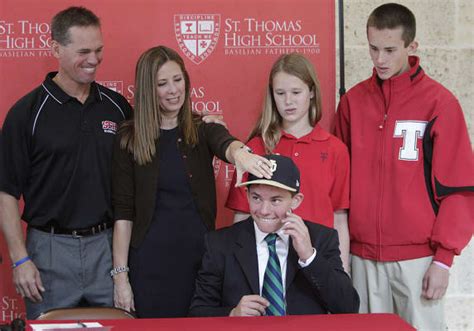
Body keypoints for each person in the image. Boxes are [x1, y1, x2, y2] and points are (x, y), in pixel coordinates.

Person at [335, 3, 474, 330]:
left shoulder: (440, 103)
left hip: (418, 261)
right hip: (362, 259)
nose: (379, 59)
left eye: (389, 50)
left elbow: (460, 190)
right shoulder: (352, 102)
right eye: (372, 48)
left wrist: (443, 260)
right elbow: (337, 183)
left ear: (412, 47)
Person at [111, 45, 273, 318]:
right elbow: (123, 213)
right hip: (149, 266)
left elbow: (223, 142)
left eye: (178, 79)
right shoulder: (129, 139)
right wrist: (120, 278)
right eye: (162, 83)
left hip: (200, 264)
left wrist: (240, 154)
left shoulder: (201, 127)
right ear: (148, 89)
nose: (173, 90)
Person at [0, 7, 132, 319]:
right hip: (48, 252)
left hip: (106, 249)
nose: (93, 60)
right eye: (83, 51)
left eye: (99, 50)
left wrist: (202, 124)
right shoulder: (26, 114)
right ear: (56, 48)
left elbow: (155, 142)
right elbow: (5, 193)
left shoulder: (117, 108)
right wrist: (20, 260)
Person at [189, 154, 359, 316]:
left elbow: (347, 307)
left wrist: (309, 256)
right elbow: (198, 312)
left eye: (275, 200)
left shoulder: (321, 238)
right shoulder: (219, 243)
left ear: (296, 200)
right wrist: (232, 313)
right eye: (256, 198)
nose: (264, 210)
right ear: (247, 195)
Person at [226, 53, 351, 272]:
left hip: (316, 259)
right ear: (271, 95)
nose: (288, 101)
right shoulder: (255, 148)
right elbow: (242, 215)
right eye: (280, 93)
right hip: (269, 264)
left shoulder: (335, 149)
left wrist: (342, 274)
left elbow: (339, 218)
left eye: (296, 92)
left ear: (311, 92)